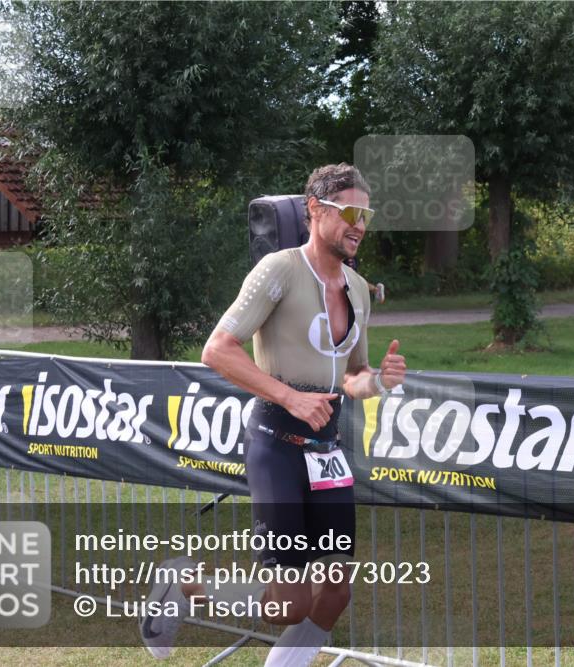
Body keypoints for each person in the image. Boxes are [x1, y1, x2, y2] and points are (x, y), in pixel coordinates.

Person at [140, 163, 407, 664]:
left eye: (366, 215)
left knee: (335, 593)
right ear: (314, 209)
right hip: (277, 445)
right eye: (350, 212)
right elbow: (218, 349)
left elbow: (352, 376)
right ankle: (182, 583)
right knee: (289, 603)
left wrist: (380, 381)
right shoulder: (280, 269)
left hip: (327, 451)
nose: (360, 225)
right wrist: (289, 397)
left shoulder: (357, 287)